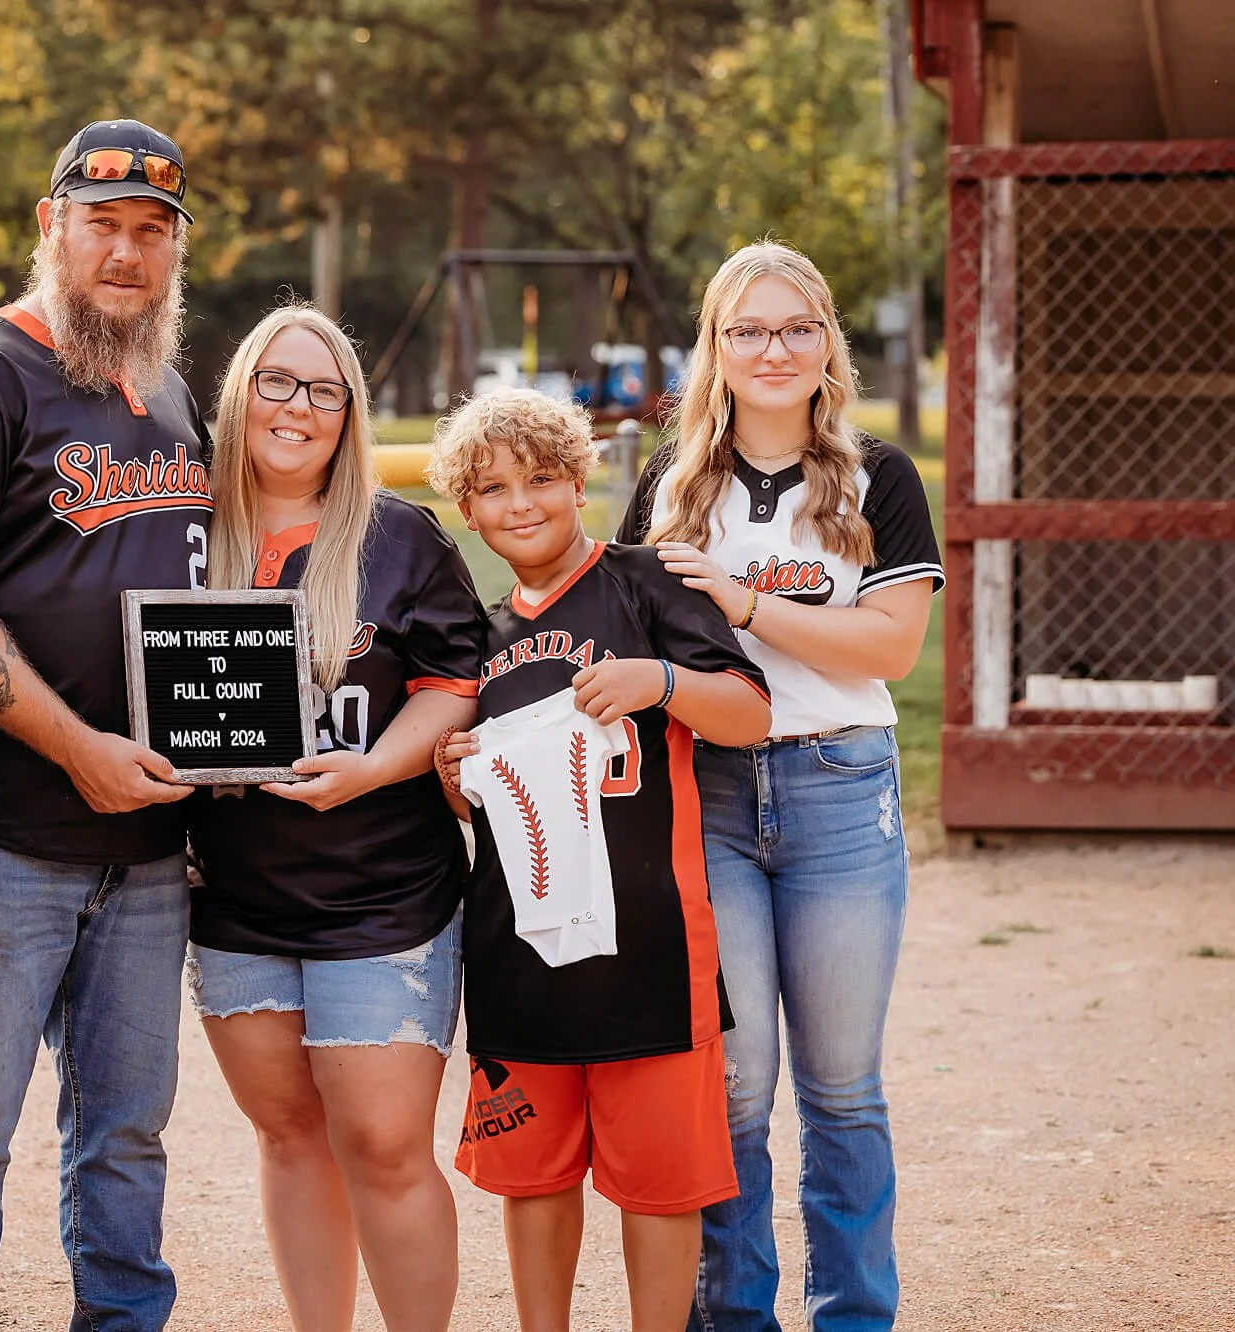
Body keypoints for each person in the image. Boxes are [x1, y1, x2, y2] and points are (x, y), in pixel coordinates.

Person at [0, 118, 211, 1331]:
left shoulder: (168, 388)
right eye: (103, 224)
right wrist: (78, 751)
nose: (127, 254)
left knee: (126, 1138)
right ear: (49, 226)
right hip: (1, 832)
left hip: (148, 840)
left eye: (152, 233)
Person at [618, 241, 943, 1332]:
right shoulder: (667, 486)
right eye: (745, 330)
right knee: (733, 1087)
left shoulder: (873, 476)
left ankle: (852, 1315)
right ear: (713, 346)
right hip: (702, 797)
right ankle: (734, 1318)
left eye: (795, 328)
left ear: (825, 345)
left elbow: (888, 649)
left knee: (842, 1089)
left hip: (838, 788)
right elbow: (608, 631)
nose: (771, 349)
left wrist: (744, 603)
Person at [427, 389, 772, 1332]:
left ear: (580, 481)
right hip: (520, 954)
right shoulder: (479, 632)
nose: (521, 502)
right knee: (532, 1179)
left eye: (542, 479)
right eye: (493, 489)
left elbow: (750, 714)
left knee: (660, 1188)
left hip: (650, 948)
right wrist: (456, 775)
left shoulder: (646, 583)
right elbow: (473, 808)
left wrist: (658, 680)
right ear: (469, 509)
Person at [185, 305, 484, 1331]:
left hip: (381, 891)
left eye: (323, 390)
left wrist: (369, 771)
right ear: (238, 394)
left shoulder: (396, 537)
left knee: (385, 1145)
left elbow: (451, 683)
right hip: (234, 897)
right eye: (275, 381)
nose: (296, 407)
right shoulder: (186, 532)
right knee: (286, 1135)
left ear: (348, 413)